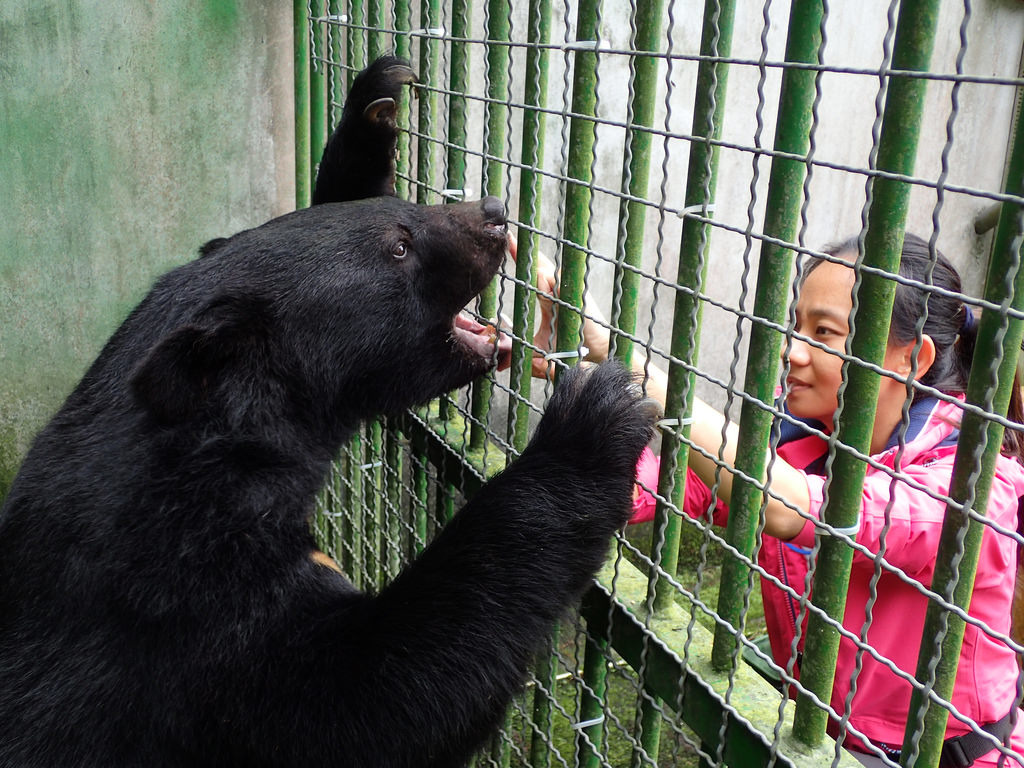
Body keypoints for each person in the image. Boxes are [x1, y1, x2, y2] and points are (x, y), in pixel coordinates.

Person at [521, 234, 1024, 767]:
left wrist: (622, 363)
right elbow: (675, 485)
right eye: (797, 325)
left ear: (912, 358)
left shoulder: (976, 482)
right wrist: (577, 381)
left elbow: (801, 508)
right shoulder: (808, 441)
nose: (792, 349)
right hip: (816, 739)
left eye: (824, 332)